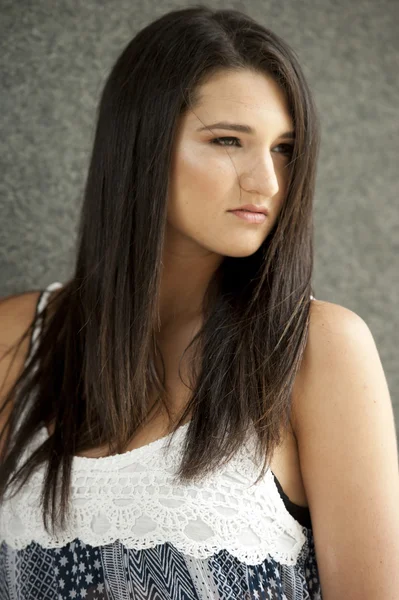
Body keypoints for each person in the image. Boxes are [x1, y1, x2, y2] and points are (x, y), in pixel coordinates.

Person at [0, 5, 398, 599]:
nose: (267, 181)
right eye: (229, 140)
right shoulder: (16, 337)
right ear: (142, 147)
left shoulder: (317, 348)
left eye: (284, 148)